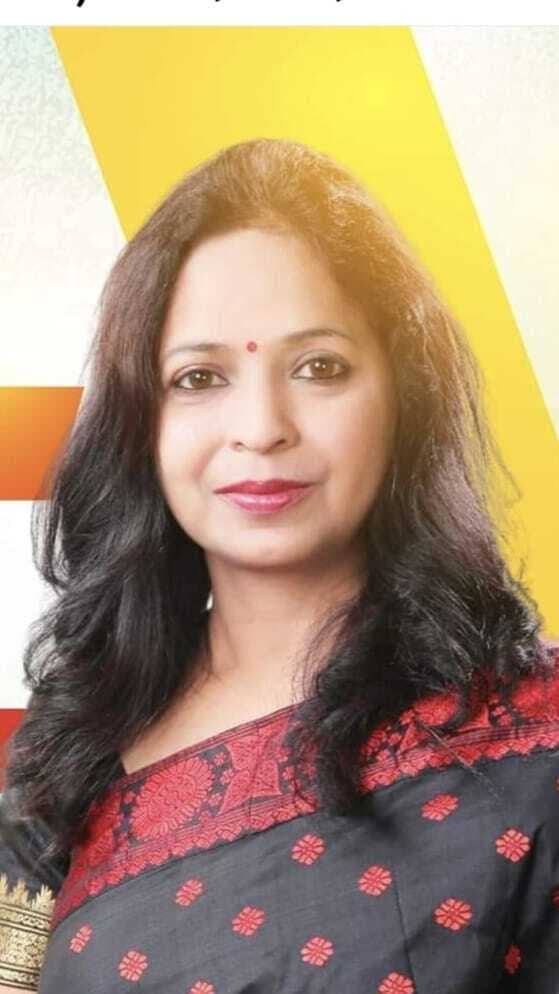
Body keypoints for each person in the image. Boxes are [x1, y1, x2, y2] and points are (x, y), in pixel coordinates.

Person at [0, 137, 558, 994]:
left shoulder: (531, 741)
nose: (261, 428)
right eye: (198, 378)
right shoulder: (73, 746)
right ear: (139, 420)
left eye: (319, 368)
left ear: (403, 395)